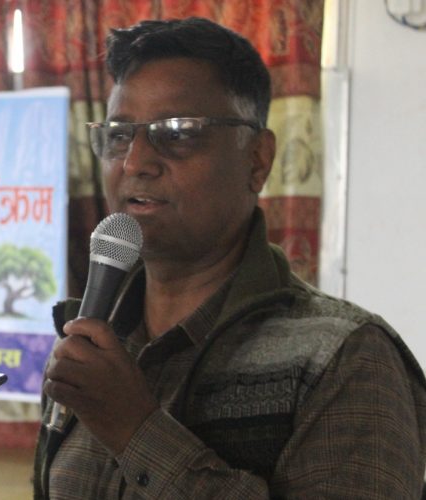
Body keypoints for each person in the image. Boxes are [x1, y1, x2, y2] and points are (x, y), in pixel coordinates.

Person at [33, 17, 426, 499]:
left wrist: (135, 431)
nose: (135, 162)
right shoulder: (92, 344)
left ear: (257, 160)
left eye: (177, 132)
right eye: (119, 134)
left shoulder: (345, 358)